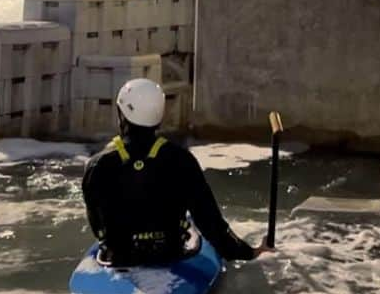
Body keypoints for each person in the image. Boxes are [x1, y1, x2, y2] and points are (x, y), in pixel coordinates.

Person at [82, 77, 267, 266]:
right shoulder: (180, 160)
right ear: (159, 115)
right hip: (169, 254)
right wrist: (250, 253)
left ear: (121, 115)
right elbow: (211, 224)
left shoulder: (97, 165)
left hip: (119, 258)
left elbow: (98, 228)